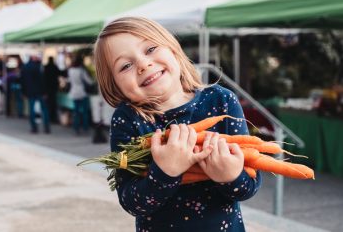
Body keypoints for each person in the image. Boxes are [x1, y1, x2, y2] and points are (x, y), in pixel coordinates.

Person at [93, 17, 261, 231]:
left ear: (172, 48)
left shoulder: (221, 101)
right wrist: (165, 172)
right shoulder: (128, 120)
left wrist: (231, 176)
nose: (144, 64)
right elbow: (131, 202)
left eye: (151, 48)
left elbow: (249, 188)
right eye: (125, 66)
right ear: (114, 85)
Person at [21, 54, 50, 134]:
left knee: (32, 110)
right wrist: (45, 92)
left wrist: (24, 92)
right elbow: (43, 80)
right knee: (44, 109)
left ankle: (34, 128)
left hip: (31, 91)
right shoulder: (39, 67)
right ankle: (46, 127)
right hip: (40, 91)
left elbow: (23, 81)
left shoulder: (26, 67)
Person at [67, 54, 93, 135]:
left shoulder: (70, 70)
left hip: (74, 92)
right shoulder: (81, 70)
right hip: (82, 92)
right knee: (84, 112)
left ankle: (76, 128)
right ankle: (85, 127)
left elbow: (69, 81)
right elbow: (89, 81)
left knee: (76, 111)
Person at [44, 56, 61, 123]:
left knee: (48, 104)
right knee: (53, 103)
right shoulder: (54, 67)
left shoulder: (46, 67)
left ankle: (49, 118)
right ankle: (52, 118)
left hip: (48, 88)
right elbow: (61, 73)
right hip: (53, 88)